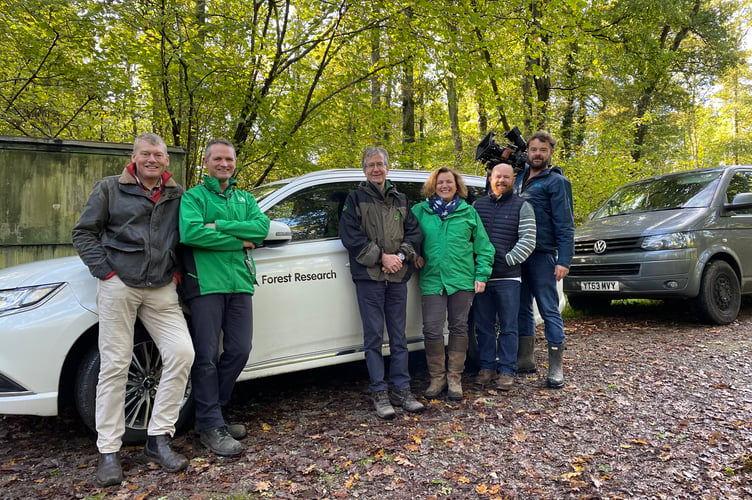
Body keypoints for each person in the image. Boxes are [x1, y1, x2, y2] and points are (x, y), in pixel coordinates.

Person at [72, 133, 195, 486]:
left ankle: (158, 439)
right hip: (119, 284)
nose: (152, 159)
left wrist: (174, 274)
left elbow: (182, 238)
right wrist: (106, 272)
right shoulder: (110, 188)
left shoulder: (177, 194)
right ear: (134, 157)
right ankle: (109, 451)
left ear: (166, 160)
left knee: (181, 354)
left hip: (160, 288)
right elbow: (84, 233)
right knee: (115, 364)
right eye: (146, 153)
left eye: (158, 154)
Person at [179, 139, 270, 456]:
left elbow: (261, 229)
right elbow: (191, 233)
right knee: (205, 357)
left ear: (234, 163)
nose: (224, 164)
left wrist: (220, 225)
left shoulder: (245, 198)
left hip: (240, 282)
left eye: (229, 159)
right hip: (206, 284)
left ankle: (211, 415)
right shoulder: (194, 197)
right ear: (206, 162)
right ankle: (211, 425)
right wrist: (239, 240)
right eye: (217, 158)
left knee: (239, 350)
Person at [339, 146, 425, 419]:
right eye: (370, 165)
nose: (376, 169)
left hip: (398, 277)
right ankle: (379, 392)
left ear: (388, 167)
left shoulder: (400, 199)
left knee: (399, 338)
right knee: (374, 338)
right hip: (369, 278)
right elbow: (350, 236)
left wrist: (400, 256)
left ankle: (402, 390)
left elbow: (414, 232)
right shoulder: (354, 199)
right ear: (364, 170)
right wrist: (381, 258)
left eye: (380, 164)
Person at [411, 167, 494, 401]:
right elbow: (407, 236)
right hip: (432, 279)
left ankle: (454, 378)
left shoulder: (468, 212)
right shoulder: (420, 211)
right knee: (432, 329)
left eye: (449, 182)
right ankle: (437, 378)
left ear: (457, 185)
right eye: (440, 183)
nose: (444, 186)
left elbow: (484, 247)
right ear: (433, 186)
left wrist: (482, 274)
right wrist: (414, 254)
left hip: (462, 280)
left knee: (459, 328)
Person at [513, 131, 574, 388]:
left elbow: (565, 224)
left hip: (543, 255)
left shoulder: (556, 182)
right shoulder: (518, 179)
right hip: (518, 255)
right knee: (522, 308)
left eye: (543, 150)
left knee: (548, 308)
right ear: (526, 151)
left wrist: (564, 260)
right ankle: (525, 360)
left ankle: (556, 367)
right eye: (533, 149)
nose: (537, 154)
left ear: (550, 153)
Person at [472, 163, 536, 390]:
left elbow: (528, 240)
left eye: (506, 177)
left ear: (513, 180)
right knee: (484, 325)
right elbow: (468, 237)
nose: (501, 180)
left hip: (508, 277)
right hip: (481, 278)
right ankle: (487, 367)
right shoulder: (477, 206)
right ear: (491, 178)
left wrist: (507, 260)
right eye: (498, 177)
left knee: (509, 326)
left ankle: (507, 370)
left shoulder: (523, 206)